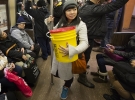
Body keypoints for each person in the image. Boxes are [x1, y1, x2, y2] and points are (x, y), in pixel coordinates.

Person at [78, 0, 129, 87]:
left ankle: (82, 67)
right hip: (87, 37)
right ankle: (81, 77)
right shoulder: (94, 9)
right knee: (85, 57)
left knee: (84, 56)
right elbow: (114, 6)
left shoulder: (85, 6)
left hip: (86, 36)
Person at [47, 0, 89, 99]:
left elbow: (85, 43)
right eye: (69, 10)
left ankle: (66, 87)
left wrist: (72, 50)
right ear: (64, 12)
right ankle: (66, 83)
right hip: (59, 53)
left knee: (68, 74)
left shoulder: (81, 25)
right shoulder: (62, 22)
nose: (72, 12)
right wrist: (49, 23)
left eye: (74, 9)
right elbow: (53, 32)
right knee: (58, 72)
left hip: (71, 54)